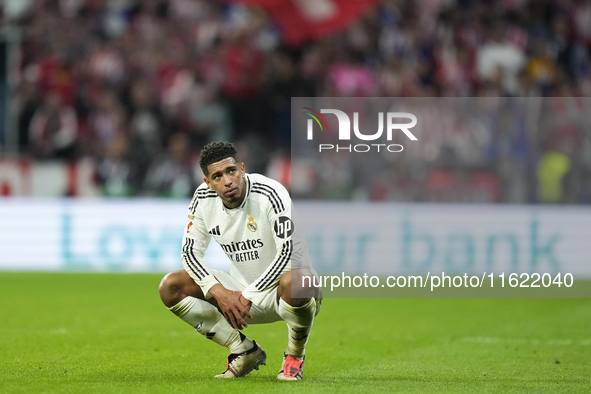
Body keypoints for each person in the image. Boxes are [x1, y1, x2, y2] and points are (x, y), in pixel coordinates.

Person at [158, 141, 321, 380]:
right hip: (239, 294)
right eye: (217, 176)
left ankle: (294, 355)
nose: (227, 181)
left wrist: (249, 295)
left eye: (231, 171)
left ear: (242, 169)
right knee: (170, 286)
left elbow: (289, 254)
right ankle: (243, 350)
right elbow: (190, 253)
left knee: (298, 281)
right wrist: (219, 292)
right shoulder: (203, 199)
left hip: (283, 292)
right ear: (208, 182)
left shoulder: (271, 193)